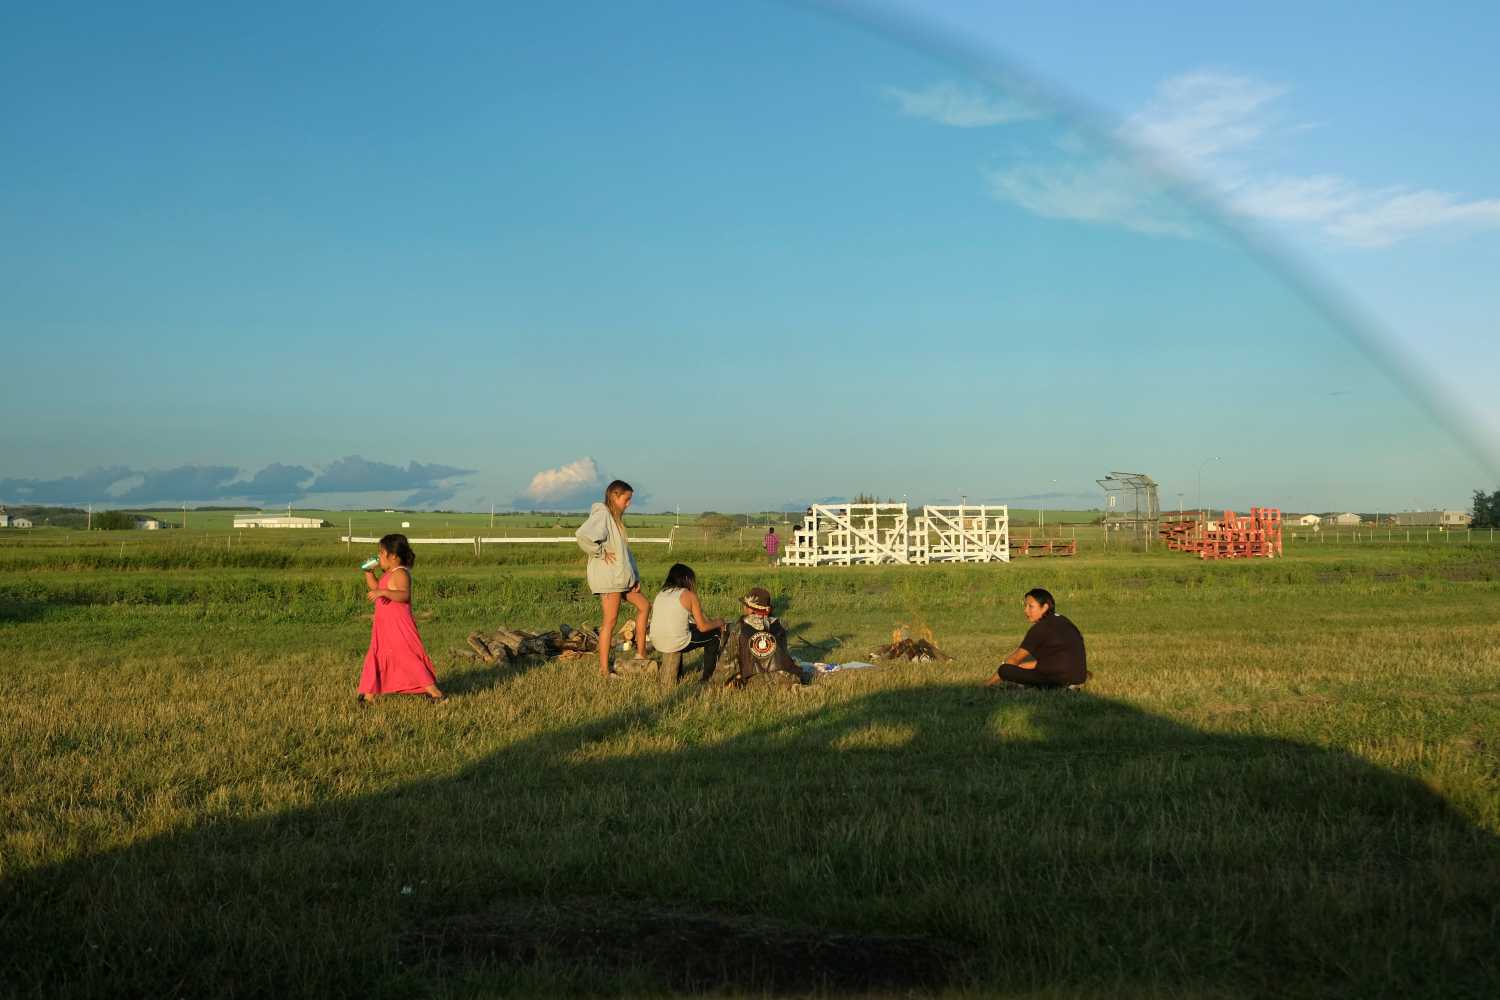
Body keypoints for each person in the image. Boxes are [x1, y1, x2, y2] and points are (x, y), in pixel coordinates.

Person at [357, 533, 446, 703]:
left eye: (381, 553)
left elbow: (404, 595)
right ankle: (369, 694)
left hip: (398, 625)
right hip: (384, 625)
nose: (379, 557)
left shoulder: (400, 573)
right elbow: (376, 587)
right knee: (379, 655)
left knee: (407, 657)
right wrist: (368, 573)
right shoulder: (388, 573)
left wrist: (383, 592)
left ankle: (436, 694)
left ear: (394, 556)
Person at [576, 479, 648, 678]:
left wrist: (635, 576)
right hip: (609, 579)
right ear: (615, 496)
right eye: (627, 499)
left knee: (644, 606)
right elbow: (583, 536)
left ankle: (641, 654)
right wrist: (599, 552)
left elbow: (625, 553)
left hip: (622, 578)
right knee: (610, 621)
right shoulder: (603, 514)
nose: (629, 503)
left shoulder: (615, 519)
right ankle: (604, 670)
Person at [986, 587, 1088, 690]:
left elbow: (1015, 658)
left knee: (1004, 670)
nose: (1026, 610)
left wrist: (988, 682)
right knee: (1024, 666)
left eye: (1031, 606)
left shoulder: (1040, 628)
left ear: (1044, 607)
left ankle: (1056, 687)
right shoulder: (1063, 620)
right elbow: (1054, 659)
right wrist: (1022, 666)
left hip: (1057, 679)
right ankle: (1069, 685)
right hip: (1078, 678)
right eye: (1025, 606)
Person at [649, 563, 725, 688]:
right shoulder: (689, 595)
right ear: (686, 579)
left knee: (682, 629)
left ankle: (678, 673)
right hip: (675, 642)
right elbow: (703, 627)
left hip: (657, 641)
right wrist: (719, 622)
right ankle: (707, 678)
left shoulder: (661, 593)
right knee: (715, 634)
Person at [715, 586, 802, 687]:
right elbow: (784, 655)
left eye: (745, 605)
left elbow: (726, 666)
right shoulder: (781, 625)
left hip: (760, 681)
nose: (743, 608)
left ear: (751, 610)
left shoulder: (738, 630)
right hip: (788, 677)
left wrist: (716, 683)